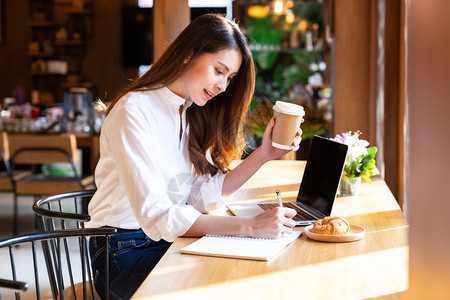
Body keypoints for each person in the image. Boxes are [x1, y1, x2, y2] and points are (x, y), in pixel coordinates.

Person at [87, 13, 302, 299]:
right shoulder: (133, 112)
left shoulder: (185, 112)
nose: (223, 86)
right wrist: (249, 226)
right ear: (189, 54)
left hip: (161, 241)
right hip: (122, 251)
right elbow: (158, 216)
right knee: (221, 280)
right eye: (219, 70)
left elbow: (199, 193)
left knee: (245, 267)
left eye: (230, 77)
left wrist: (263, 154)